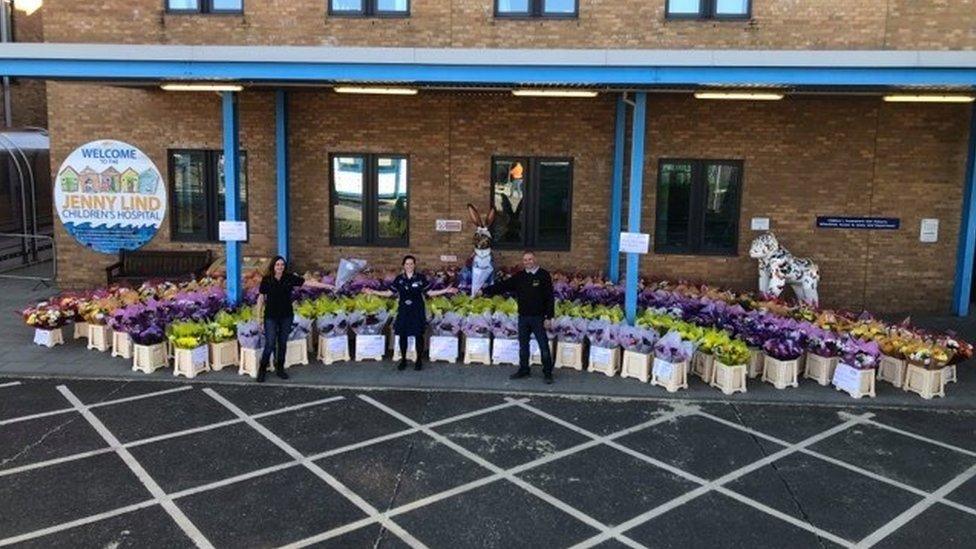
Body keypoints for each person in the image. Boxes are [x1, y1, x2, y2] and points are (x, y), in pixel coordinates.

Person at [365, 255, 457, 371]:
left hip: (417, 310)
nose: (409, 266)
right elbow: (389, 293)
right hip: (404, 310)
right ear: (403, 265)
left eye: (411, 264)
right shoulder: (399, 279)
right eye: (407, 264)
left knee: (418, 335)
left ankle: (418, 360)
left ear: (414, 265)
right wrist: (373, 291)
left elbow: (429, 292)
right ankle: (403, 359)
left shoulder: (420, 278)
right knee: (402, 335)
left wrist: (445, 290)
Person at [256, 256, 334, 383]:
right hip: (270, 316)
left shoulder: (289, 278)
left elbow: (308, 283)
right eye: (277, 264)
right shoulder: (266, 280)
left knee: (282, 343)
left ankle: (280, 369)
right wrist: (258, 317)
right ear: (273, 266)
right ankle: (262, 370)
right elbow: (260, 299)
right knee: (270, 344)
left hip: (286, 316)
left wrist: (327, 286)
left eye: (282, 264)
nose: (280, 267)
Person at [482, 251, 555, 384]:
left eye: (530, 259)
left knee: (543, 345)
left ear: (535, 259)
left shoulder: (543, 275)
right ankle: (524, 369)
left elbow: (550, 297)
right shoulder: (520, 276)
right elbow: (503, 286)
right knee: (523, 346)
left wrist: (549, 317)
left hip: (538, 318)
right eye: (525, 260)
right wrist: (485, 290)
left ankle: (548, 373)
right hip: (523, 317)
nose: (527, 262)